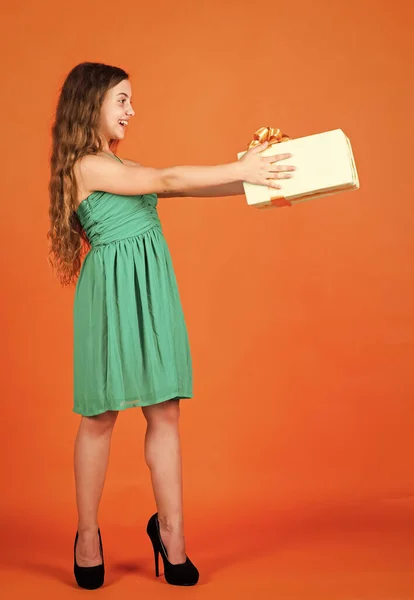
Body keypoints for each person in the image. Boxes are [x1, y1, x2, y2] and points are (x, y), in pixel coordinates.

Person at [47, 62, 295, 590]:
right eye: (122, 100)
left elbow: (180, 189)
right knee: (100, 416)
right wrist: (242, 169)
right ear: (90, 102)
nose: (131, 111)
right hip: (111, 295)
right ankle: (86, 535)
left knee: (165, 411)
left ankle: (173, 533)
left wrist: (255, 178)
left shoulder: (120, 164)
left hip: (151, 289)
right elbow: (167, 178)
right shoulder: (86, 167)